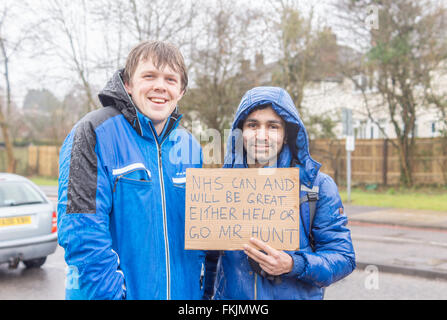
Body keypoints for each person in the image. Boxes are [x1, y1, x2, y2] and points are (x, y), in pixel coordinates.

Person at [57, 41, 204, 300]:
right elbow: (81, 234)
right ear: (128, 84)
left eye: (171, 79)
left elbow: (202, 237)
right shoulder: (93, 132)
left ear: (181, 91)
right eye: (149, 76)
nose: (160, 86)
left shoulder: (191, 146)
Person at [209, 86, 356, 300]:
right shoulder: (220, 186)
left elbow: (344, 258)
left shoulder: (316, 187)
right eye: (253, 125)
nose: (262, 135)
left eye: (273, 126)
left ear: (286, 135)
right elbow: (209, 262)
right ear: (240, 132)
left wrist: (293, 264)